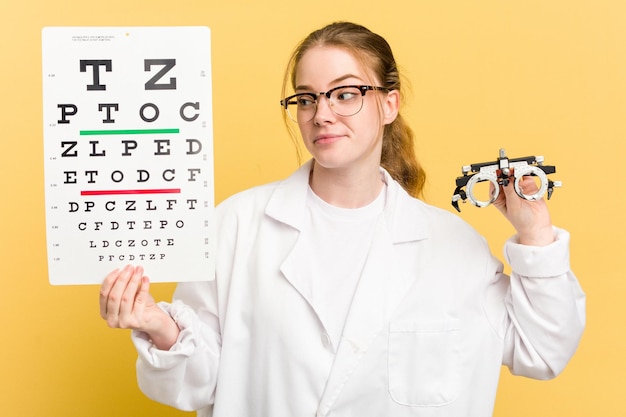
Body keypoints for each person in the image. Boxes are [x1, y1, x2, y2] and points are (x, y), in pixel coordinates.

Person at [99, 21, 585, 417]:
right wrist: (159, 326)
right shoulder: (235, 226)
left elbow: (543, 351)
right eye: (306, 98)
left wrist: (535, 231)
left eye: (344, 93)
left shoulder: (453, 246)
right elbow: (196, 383)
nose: (322, 113)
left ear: (389, 103)